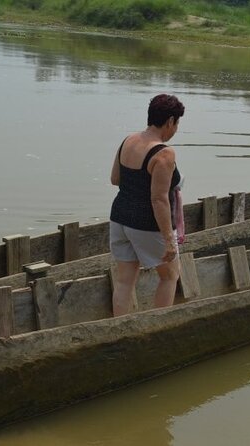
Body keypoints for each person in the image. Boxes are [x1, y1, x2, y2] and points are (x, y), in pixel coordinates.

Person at [109, 94, 185, 316]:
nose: (176, 128)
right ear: (170, 121)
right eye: (177, 123)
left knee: (124, 281)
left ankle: (120, 329)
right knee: (170, 276)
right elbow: (159, 199)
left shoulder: (128, 140)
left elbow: (115, 179)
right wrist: (169, 241)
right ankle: (157, 327)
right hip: (147, 223)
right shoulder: (164, 153)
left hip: (120, 218)